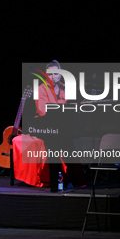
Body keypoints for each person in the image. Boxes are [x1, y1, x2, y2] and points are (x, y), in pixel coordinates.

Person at [33, 60, 85, 191]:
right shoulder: (41, 89)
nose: (52, 76)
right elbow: (43, 111)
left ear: (60, 75)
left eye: (55, 73)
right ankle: (55, 186)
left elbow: (72, 106)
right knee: (54, 146)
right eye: (49, 74)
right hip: (45, 126)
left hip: (63, 126)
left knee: (69, 148)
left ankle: (76, 181)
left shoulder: (65, 88)